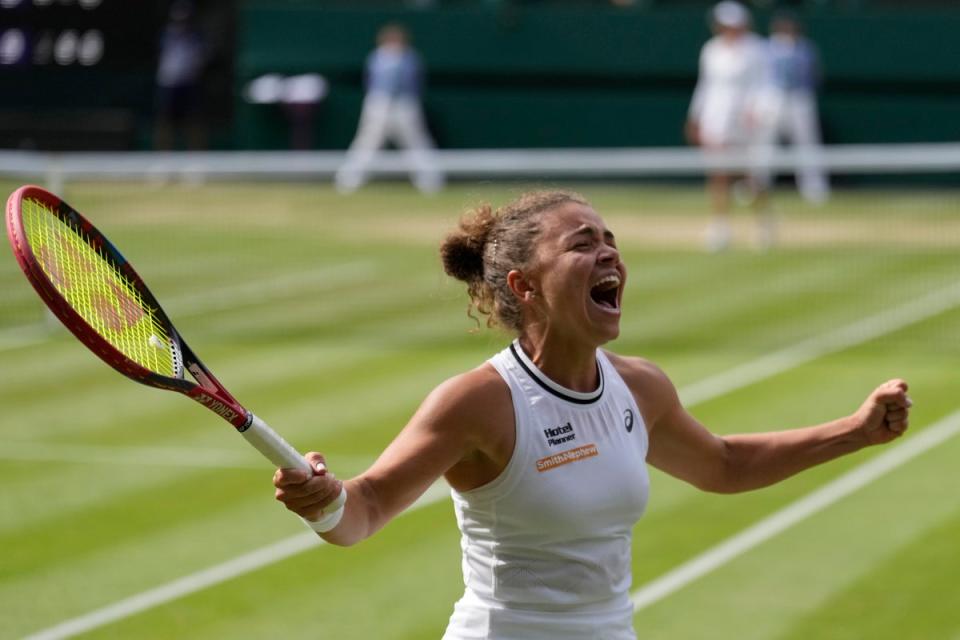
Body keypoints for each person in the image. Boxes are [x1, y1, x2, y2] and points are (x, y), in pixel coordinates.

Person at [273, 190, 912, 639]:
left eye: (611, 241)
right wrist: (324, 501)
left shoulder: (640, 387)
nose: (609, 254)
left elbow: (723, 464)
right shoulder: (478, 402)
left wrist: (854, 431)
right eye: (584, 244)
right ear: (525, 286)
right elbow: (368, 509)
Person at [685, 1, 773, 251]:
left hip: (747, 121)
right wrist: (696, 117)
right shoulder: (711, 50)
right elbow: (705, 86)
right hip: (717, 118)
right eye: (723, 24)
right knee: (718, 174)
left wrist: (757, 110)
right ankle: (721, 227)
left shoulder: (757, 49)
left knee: (750, 175)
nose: (727, 29)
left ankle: (763, 223)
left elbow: (764, 84)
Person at [334, 23, 444, 194]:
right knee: (368, 142)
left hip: (405, 104)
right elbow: (370, 82)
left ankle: (430, 181)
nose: (394, 43)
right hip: (379, 103)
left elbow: (415, 83)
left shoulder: (411, 58)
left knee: (416, 141)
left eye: (397, 40)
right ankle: (349, 180)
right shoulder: (376, 57)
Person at [753, 11, 831, 205]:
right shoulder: (765, 48)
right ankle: (758, 186)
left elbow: (814, 75)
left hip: (799, 98)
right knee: (764, 143)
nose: (786, 31)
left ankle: (814, 188)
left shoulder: (806, 49)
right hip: (772, 98)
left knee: (807, 143)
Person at [153, 1, 207, 151]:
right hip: (168, 83)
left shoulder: (196, 37)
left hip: (189, 83)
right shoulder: (166, 34)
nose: (182, 23)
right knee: (165, 121)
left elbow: (201, 58)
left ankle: (197, 156)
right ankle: (162, 156)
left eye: (185, 19)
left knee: (193, 121)